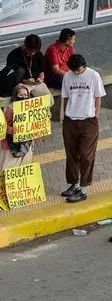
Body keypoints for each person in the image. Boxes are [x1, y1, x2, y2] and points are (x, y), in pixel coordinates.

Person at [61, 53, 104, 204]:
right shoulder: (68, 76)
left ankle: (84, 189)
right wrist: (65, 116)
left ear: (84, 66)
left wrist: (96, 114)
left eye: (79, 70)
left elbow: (98, 96)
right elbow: (65, 97)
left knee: (86, 155)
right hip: (70, 121)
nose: (77, 73)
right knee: (71, 154)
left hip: (89, 121)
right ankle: (74, 184)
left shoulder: (94, 76)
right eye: (74, 70)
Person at [0, 84, 35, 173]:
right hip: (12, 146)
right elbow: (2, 127)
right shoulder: (10, 109)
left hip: (27, 143)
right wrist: (13, 130)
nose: (23, 97)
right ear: (15, 95)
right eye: (21, 95)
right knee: (8, 170)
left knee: (23, 169)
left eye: (25, 95)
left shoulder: (31, 108)